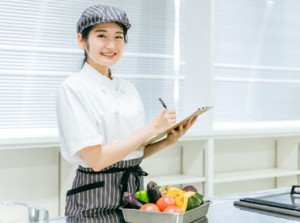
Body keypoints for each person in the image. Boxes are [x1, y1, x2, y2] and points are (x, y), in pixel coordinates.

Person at [56, 4, 198, 218]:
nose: (111, 45)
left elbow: (130, 154)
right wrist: (152, 127)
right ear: (81, 40)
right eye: (102, 36)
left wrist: (167, 140)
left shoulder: (128, 89)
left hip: (134, 194)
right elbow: (97, 160)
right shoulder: (73, 87)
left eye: (119, 37)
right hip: (94, 199)